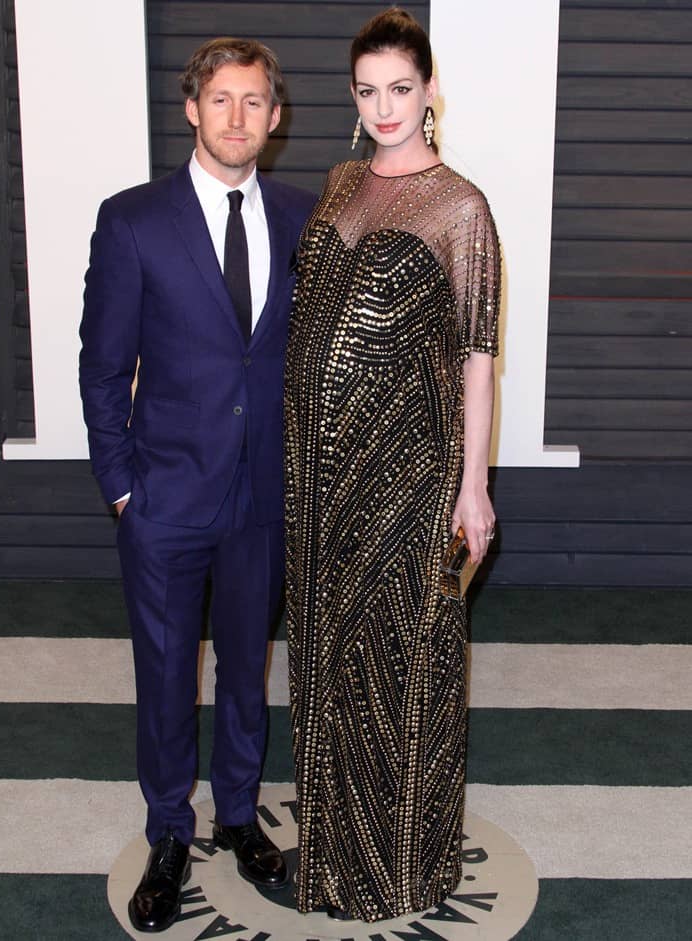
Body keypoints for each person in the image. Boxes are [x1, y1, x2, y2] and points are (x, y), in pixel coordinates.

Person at [79, 37, 315, 933]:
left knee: (250, 670)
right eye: (221, 100)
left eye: (254, 102)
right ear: (192, 109)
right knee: (169, 675)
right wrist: (123, 489)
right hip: (166, 496)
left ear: (275, 117)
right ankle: (169, 832)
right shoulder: (134, 219)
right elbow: (102, 367)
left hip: (264, 496)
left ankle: (241, 817)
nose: (237, 118)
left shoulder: (303, 217)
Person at [284, 7, 500, 923]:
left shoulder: (460, 207)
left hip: (408, 476)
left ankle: (401, 864)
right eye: (368, 91)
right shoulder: (338, 184)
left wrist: (474, 485)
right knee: (326, 658)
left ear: (430, 92)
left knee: (401, 663)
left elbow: (477, 355)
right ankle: (332, 846)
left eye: (400, 89)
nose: (384, 107)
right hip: (316, 477)